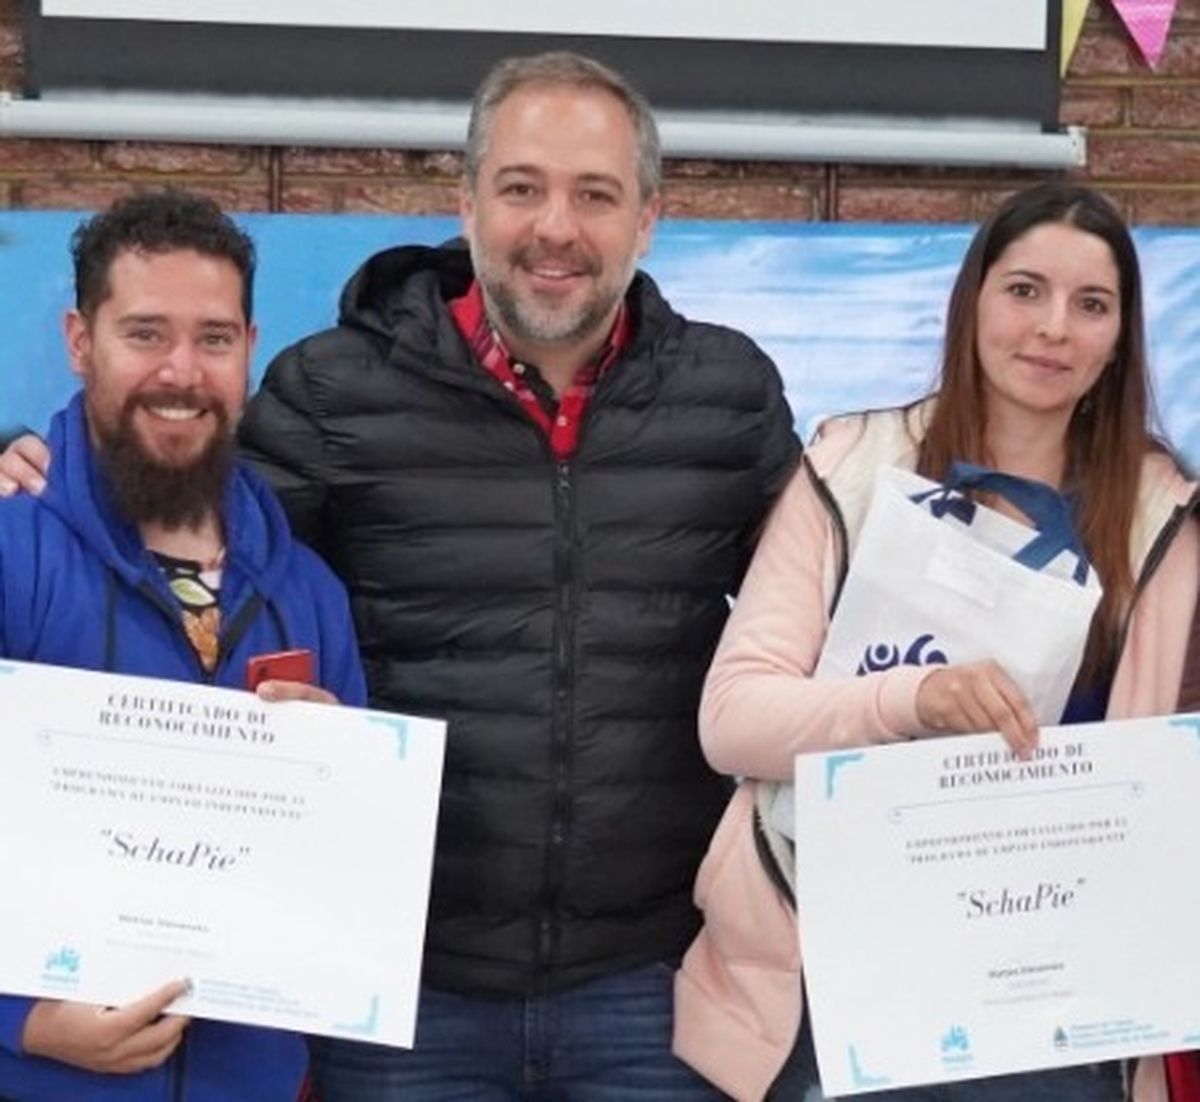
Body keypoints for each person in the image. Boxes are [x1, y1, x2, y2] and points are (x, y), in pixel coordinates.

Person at [0, 52, 799, 1099]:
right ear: (466, 202)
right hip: (402, 996)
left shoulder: (729, 396)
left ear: (647, 219)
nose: (555, 227)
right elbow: (174, 512)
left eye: (594, 194)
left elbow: (820, 603)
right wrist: (38, 464)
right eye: (521, 188)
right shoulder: (333, 390)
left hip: (647, 982)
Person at [672, 182, 1198, 1102]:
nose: (1053, 329)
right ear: (974, 302)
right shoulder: (853, 467)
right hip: (840, 990)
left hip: (1056, 1011)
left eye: (1092, 304)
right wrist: (909, 702)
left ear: (1120, 339)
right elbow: (732, 719)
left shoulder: (1169, 520)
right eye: (1024, 290)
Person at [0, 191, 366, 1101]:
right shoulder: (11, 551)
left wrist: (338, 784)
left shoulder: (308, 593)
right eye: (144, 334)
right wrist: (22, 1023)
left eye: (212, 339)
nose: (180, 372)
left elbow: (353, 881)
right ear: (81, 341)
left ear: (250, 346)